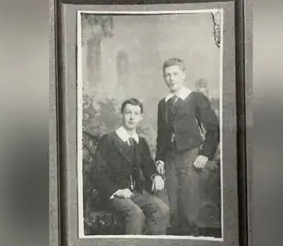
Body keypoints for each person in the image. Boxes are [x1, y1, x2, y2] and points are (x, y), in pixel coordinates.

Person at [155, 58, 220, 235]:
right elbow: (162, 136)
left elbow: (213, 129)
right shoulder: (163, 103)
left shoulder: (197, 99)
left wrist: (205, 154)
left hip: (191, 157)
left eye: (175, 74)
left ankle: (192, 243)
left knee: (190, 209)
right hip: (170, 160)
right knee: (173, 209)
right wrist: (160, 158)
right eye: (167, 75)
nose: (171, 78)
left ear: (184, 74)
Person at [92, 98, 169, 235]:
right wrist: (117, 190)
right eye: (128, 112)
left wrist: (156, 176)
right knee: (135, 213)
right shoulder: (108, 140)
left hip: (136, 193)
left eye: (136, 114)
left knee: (162, 209)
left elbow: (149, 167)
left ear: (140, 118)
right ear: (122, 114)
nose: (132, 117)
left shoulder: (141, 142)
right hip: (114, 194)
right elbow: (97, 174)